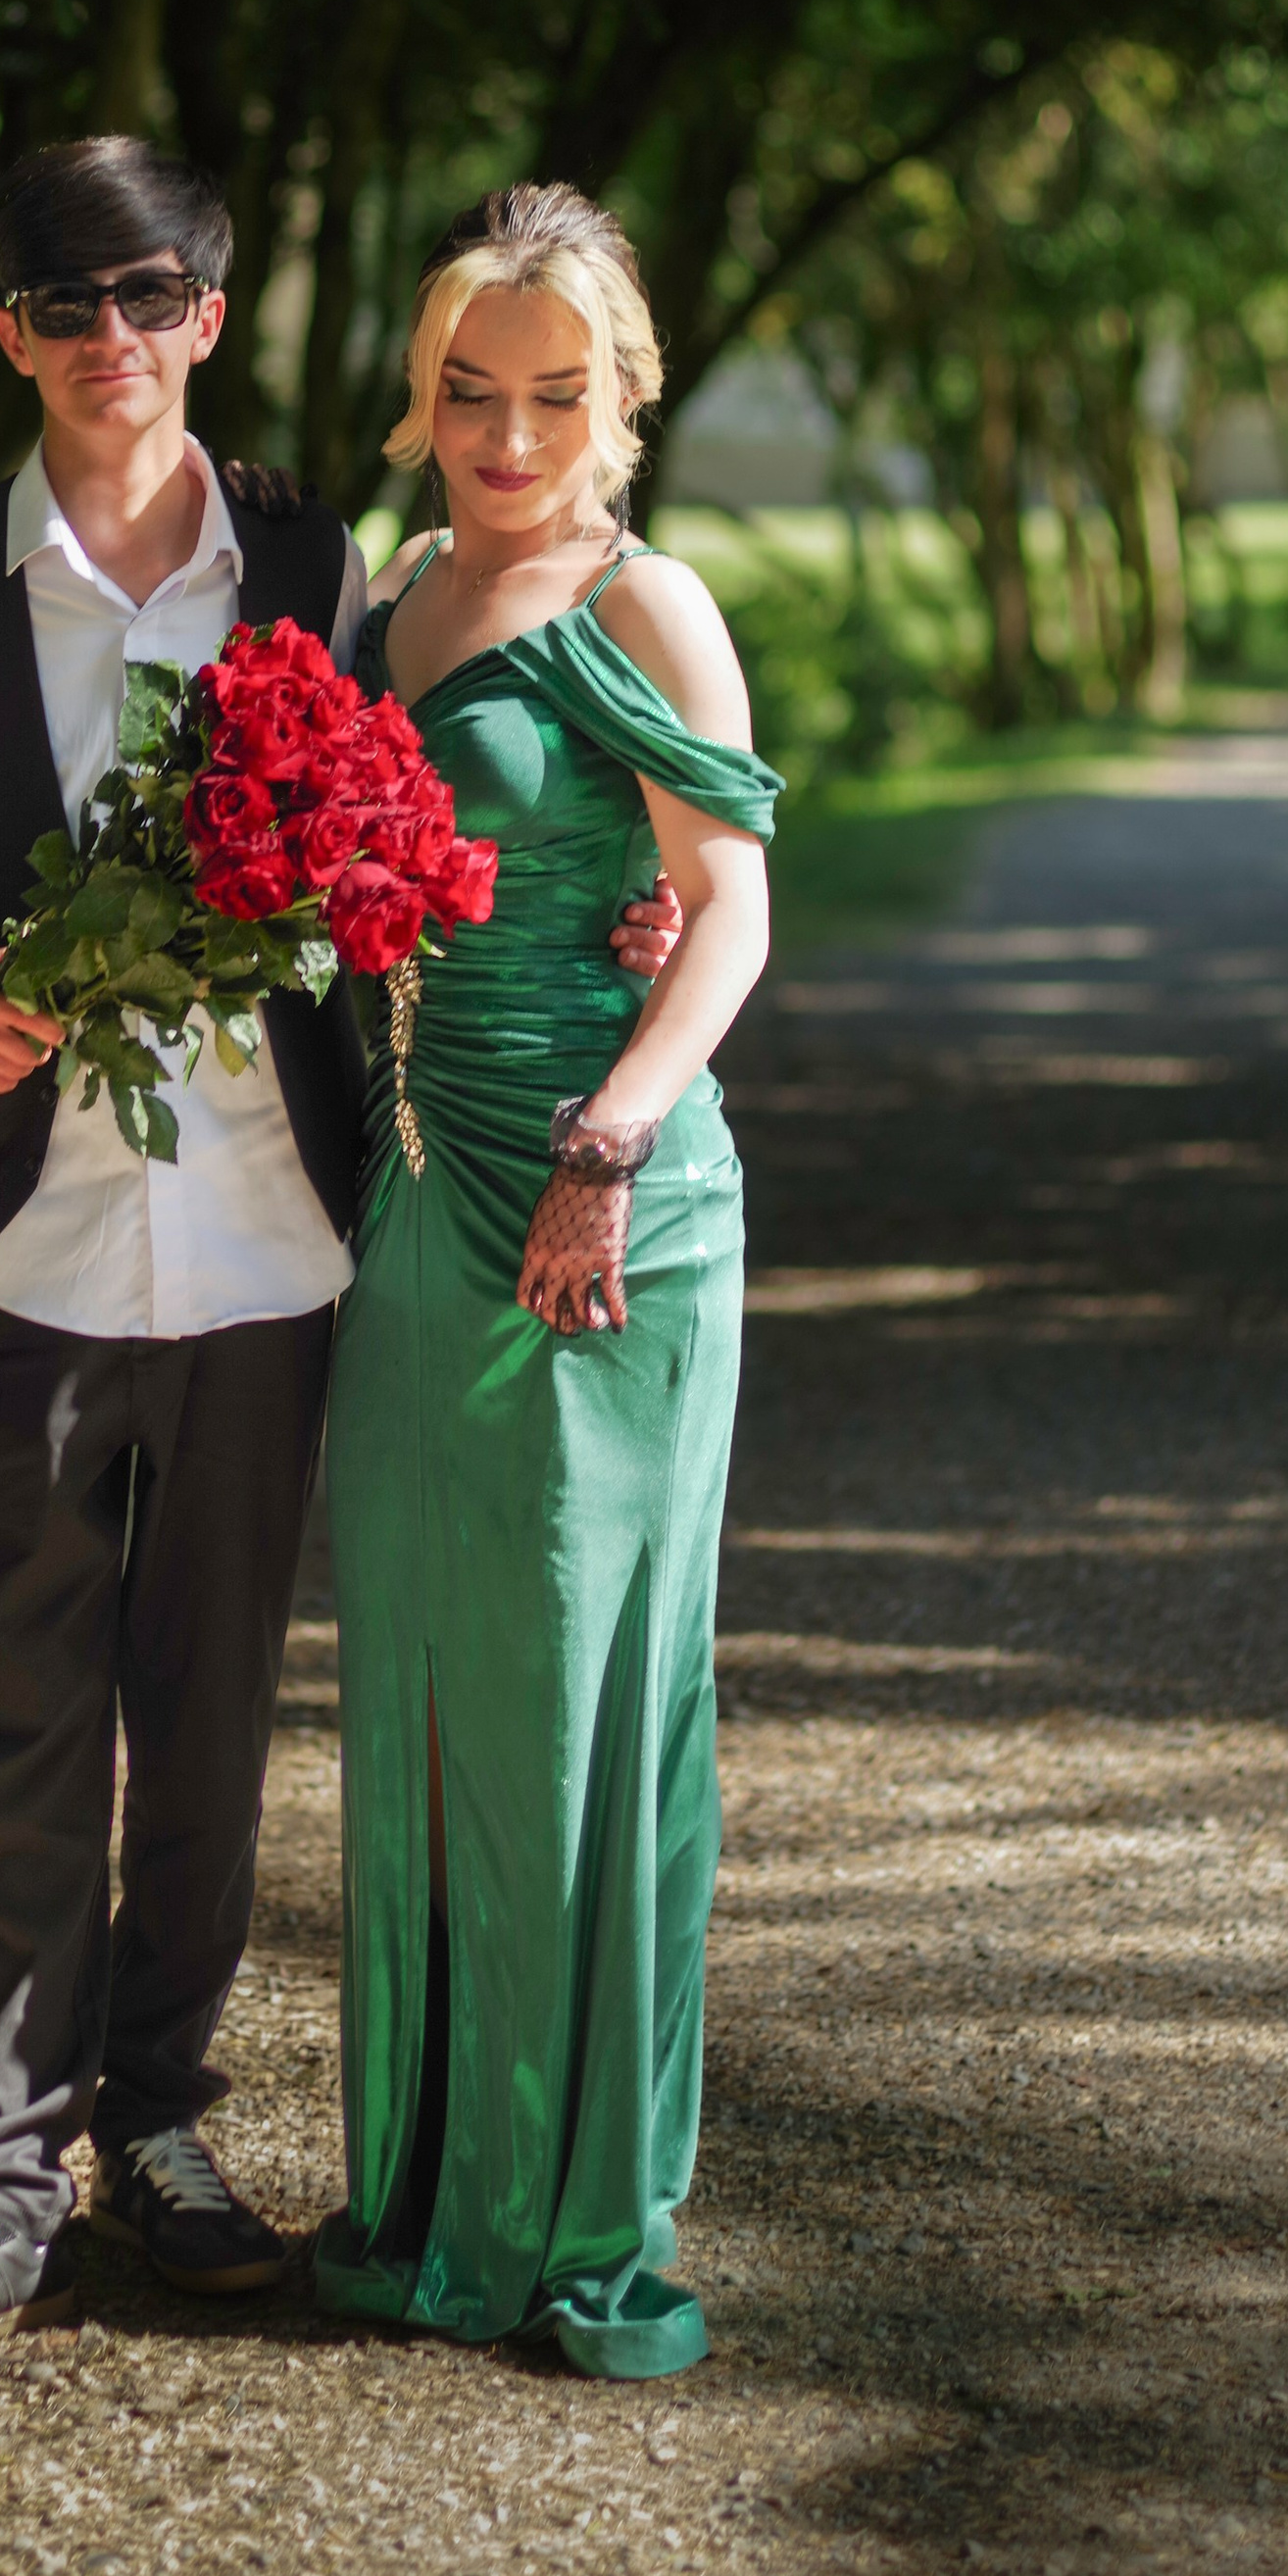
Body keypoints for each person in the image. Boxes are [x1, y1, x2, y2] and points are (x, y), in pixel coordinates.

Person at [0, 136, 682, 2372]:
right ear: (10, 339)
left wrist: (626, 912)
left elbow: (458, 806)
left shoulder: (327, 572)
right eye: (61, 306)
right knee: (17, 1714)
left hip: (272, 1246)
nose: (108, 340)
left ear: (209, 319)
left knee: (211, 1720)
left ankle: (163, 2124)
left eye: (150, 298)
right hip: (7, 1242)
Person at [312, 182, 780, 2383]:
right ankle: (426, 2189)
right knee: (424, 1680)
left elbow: (728, 915)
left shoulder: (646, 600)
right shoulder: (378, 600)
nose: (509, 434)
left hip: (611, 1209)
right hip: (418, 1199)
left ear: (625, 398)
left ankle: (579, 2210)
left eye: (555, 394)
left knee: (586, 1697)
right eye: (467, 391)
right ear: (421, 398)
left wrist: (603, 1140)